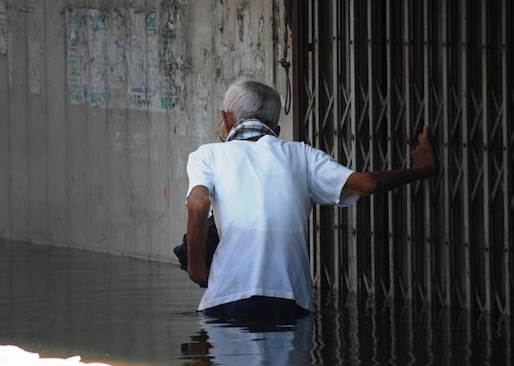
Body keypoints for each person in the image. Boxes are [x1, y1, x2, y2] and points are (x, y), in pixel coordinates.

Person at [185, 78, 438, 319]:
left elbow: (198, 204)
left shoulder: (207, 155)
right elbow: (368, 184)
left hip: (227, 297)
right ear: (277, 129)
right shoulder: (301, 154)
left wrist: (198, 270)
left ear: (226, 119)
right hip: (288, 299)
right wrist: (421, 169)